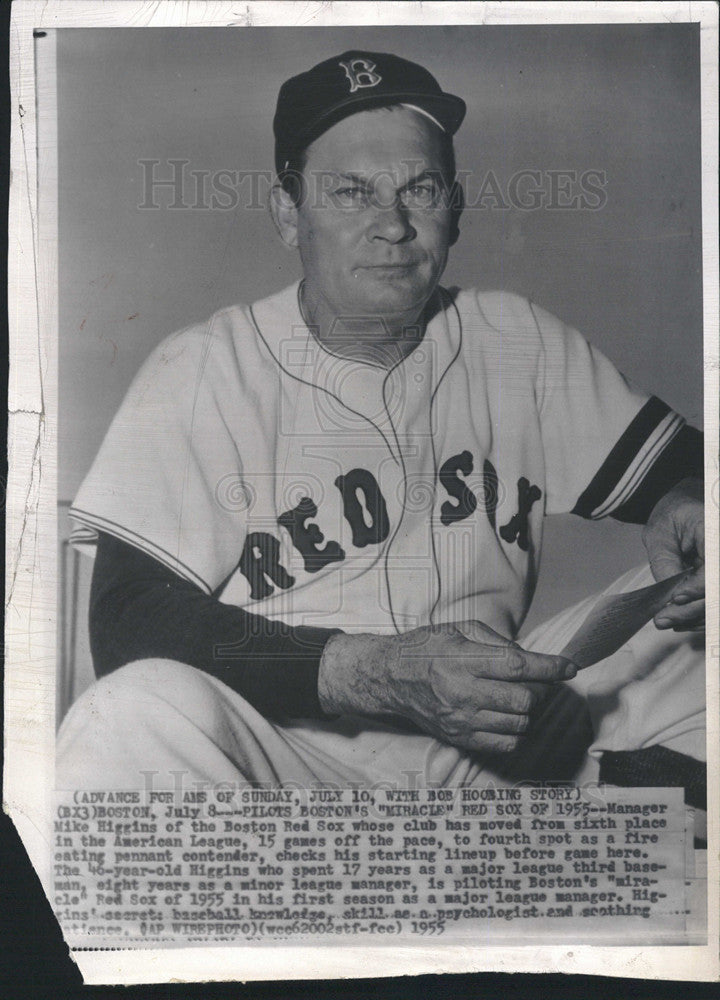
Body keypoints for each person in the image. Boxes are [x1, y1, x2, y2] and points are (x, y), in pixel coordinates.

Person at [57, 51, 705, 793]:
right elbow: (127, 622)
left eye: (419, 189)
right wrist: (372, 672)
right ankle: (578, 816)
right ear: (287, 213)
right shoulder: (205, 368)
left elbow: (690, 474)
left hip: (499, 742)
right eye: (351, 192)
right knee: (126, 717)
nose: (392, 225)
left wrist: (687, 495)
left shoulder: (512, 338)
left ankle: (596, 823)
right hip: (290, 762)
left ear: (454, 210)